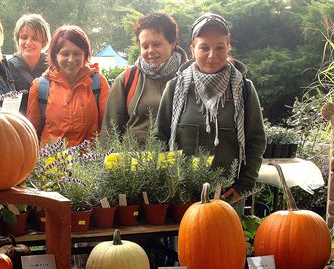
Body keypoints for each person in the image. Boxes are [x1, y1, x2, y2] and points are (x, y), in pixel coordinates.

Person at [156, 13, 266, 203]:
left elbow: (256, 141)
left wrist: (244, 186)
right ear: (192, 48)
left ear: (229, 46)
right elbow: (159, 139)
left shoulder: (244, 90)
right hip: (182, 198)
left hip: (228, 198)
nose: (212, 55)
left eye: (219, 47)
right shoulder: (175, 88)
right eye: (204, 47)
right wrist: (168, 183)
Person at [102, 13, 187, 142]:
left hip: (178, 160)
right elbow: (110, 131)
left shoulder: (189, 76)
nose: (150, 51)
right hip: (133, 160)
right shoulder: (127, 79)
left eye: (157, 44)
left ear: (173, 43)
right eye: (145, 46)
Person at [27, 25, 110, 147]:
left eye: (77, 53)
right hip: (52, 163)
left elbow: (108, 128)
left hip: (90, 163)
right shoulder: (40, 87)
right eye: (65, 54)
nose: (71, 59)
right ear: (55, 55)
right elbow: (31, 133)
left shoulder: (98, 83)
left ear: (85, 54)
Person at [7, 14, 50, 115]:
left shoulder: (52, 67)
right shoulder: (7, 68)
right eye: (24, 37)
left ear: (43, 41)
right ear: (18, 39)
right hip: (18, 126)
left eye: (35, 38)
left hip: (46, 127)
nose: (28, 42)